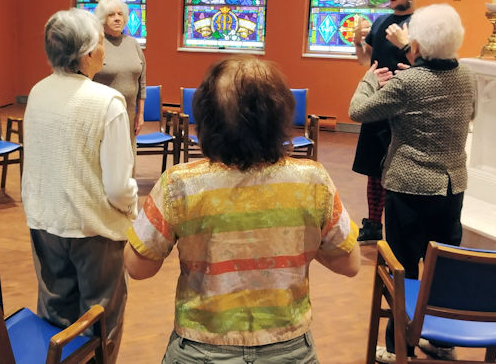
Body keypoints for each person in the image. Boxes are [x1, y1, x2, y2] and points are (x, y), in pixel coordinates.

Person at [125, 56, 361, 363]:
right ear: (281, 116)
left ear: (207, 118)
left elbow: (139, 268)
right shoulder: (312, 180)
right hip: (288, 347)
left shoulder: (180, 184)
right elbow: (350, 263)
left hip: (201, 348)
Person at [349, 4, 476, 363]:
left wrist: (369, 80)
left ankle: (397, 346)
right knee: (442, 264)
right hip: (452, 186)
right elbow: (471, 113)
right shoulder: (467, 76)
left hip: (409, 188)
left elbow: (358, 112)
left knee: (402, 265)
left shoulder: (407, 82)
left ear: (417, 43)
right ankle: (442, 339)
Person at [22, 8, 138, 364]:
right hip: (92, 229)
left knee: (55, 316)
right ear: (87, 54)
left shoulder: (38, 91)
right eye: (101, 43)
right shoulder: (107, 102)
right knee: (100, 319)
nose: (104, 50)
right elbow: (118, 186)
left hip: (44, 220)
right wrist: (132, 208)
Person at [351, 0, 424, 243]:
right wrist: (358, 41)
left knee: (397, 168)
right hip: (377, 102)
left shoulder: (422, 25)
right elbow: (364, 60)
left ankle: (399, 225)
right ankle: (372, 223)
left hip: (406, 107)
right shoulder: (381, 22)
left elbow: (426, 66)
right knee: (374, 168)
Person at [93, 0, 146, 148]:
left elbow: (142, 81)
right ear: (102, 19)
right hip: (103, 115)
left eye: (120, 14)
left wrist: (140, 114)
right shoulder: (96, 45)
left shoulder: (133, 44)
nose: (117, 19)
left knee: (128, 157)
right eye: (111, 15)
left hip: (128, 113)